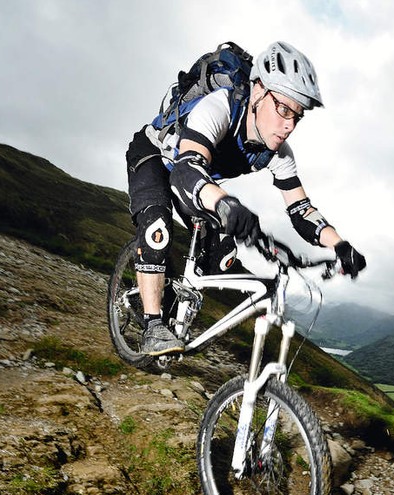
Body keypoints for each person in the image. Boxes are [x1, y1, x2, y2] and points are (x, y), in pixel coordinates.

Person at [126, 40, 367, 356]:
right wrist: (226, 205)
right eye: (283, 108)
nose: (289, 125)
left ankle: (160, 292)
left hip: (201, 179)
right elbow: (187, 171)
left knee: (222, 258)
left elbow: (301, 210)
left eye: (298, 115)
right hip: (155, 156)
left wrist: (339, 245)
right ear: (257, 90)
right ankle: (153, 326)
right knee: (158, 227)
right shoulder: (218, 107)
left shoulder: (278, 153)